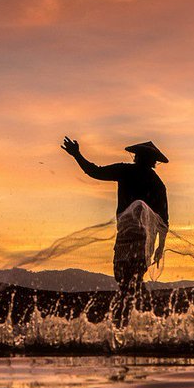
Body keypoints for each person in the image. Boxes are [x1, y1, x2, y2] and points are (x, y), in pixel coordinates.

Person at [61, 136, 169, 318]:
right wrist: (160, 246)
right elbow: (163, 221)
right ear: (153, 161)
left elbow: (94, 171)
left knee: (124, 279)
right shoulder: (157, 183)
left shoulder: (126, 171)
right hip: (143, 240)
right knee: (132, 280)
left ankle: (135, 316)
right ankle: (142, 315)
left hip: (128, 236)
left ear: (137, 156)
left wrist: (76, 155)